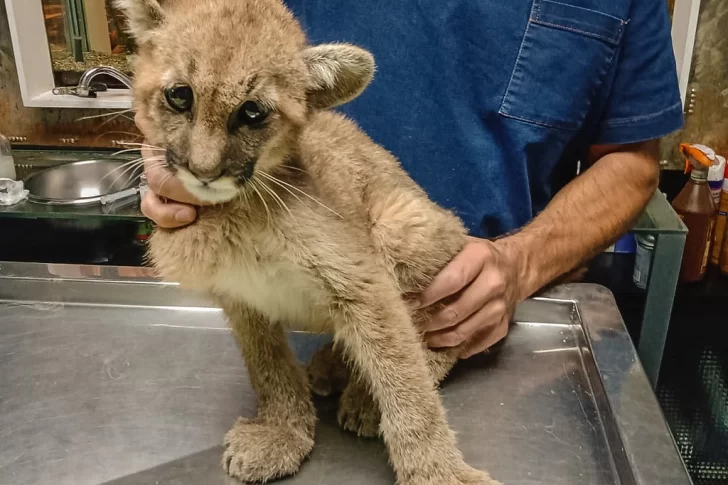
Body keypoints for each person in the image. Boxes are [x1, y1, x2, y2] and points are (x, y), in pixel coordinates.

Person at [137, 0, 683, 358]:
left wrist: (521, 264)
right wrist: (174, 145)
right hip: (280, 307)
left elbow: (632, 163)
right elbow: (177, 49)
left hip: (474, 326)